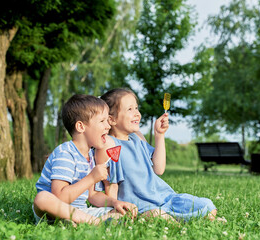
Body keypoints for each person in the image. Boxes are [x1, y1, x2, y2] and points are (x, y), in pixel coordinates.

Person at [95, 88, 217, 222]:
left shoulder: (136, 137)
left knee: (208, 206)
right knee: (159, 217)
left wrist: (159, 135)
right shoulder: (110, 144)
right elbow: (110, 184)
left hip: (165, 197)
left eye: (136, 108)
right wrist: (116, 208)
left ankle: (180, 218)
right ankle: (177, 220)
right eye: (130, 109)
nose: (137, 113)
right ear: (111, 119)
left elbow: (158, 169)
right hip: (141, 206)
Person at [33, 94, 138, 225]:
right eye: (102, 121)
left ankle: (78, 222)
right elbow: (59, 197)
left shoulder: (90, 156)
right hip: (52, 211)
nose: (108, 126)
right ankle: (95, 222)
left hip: (81, 211)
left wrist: (115, 202)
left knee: (121, 213)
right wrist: (91, 178)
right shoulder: (65, 153)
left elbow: (92, 196)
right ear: (81, 127)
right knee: (42, 198)